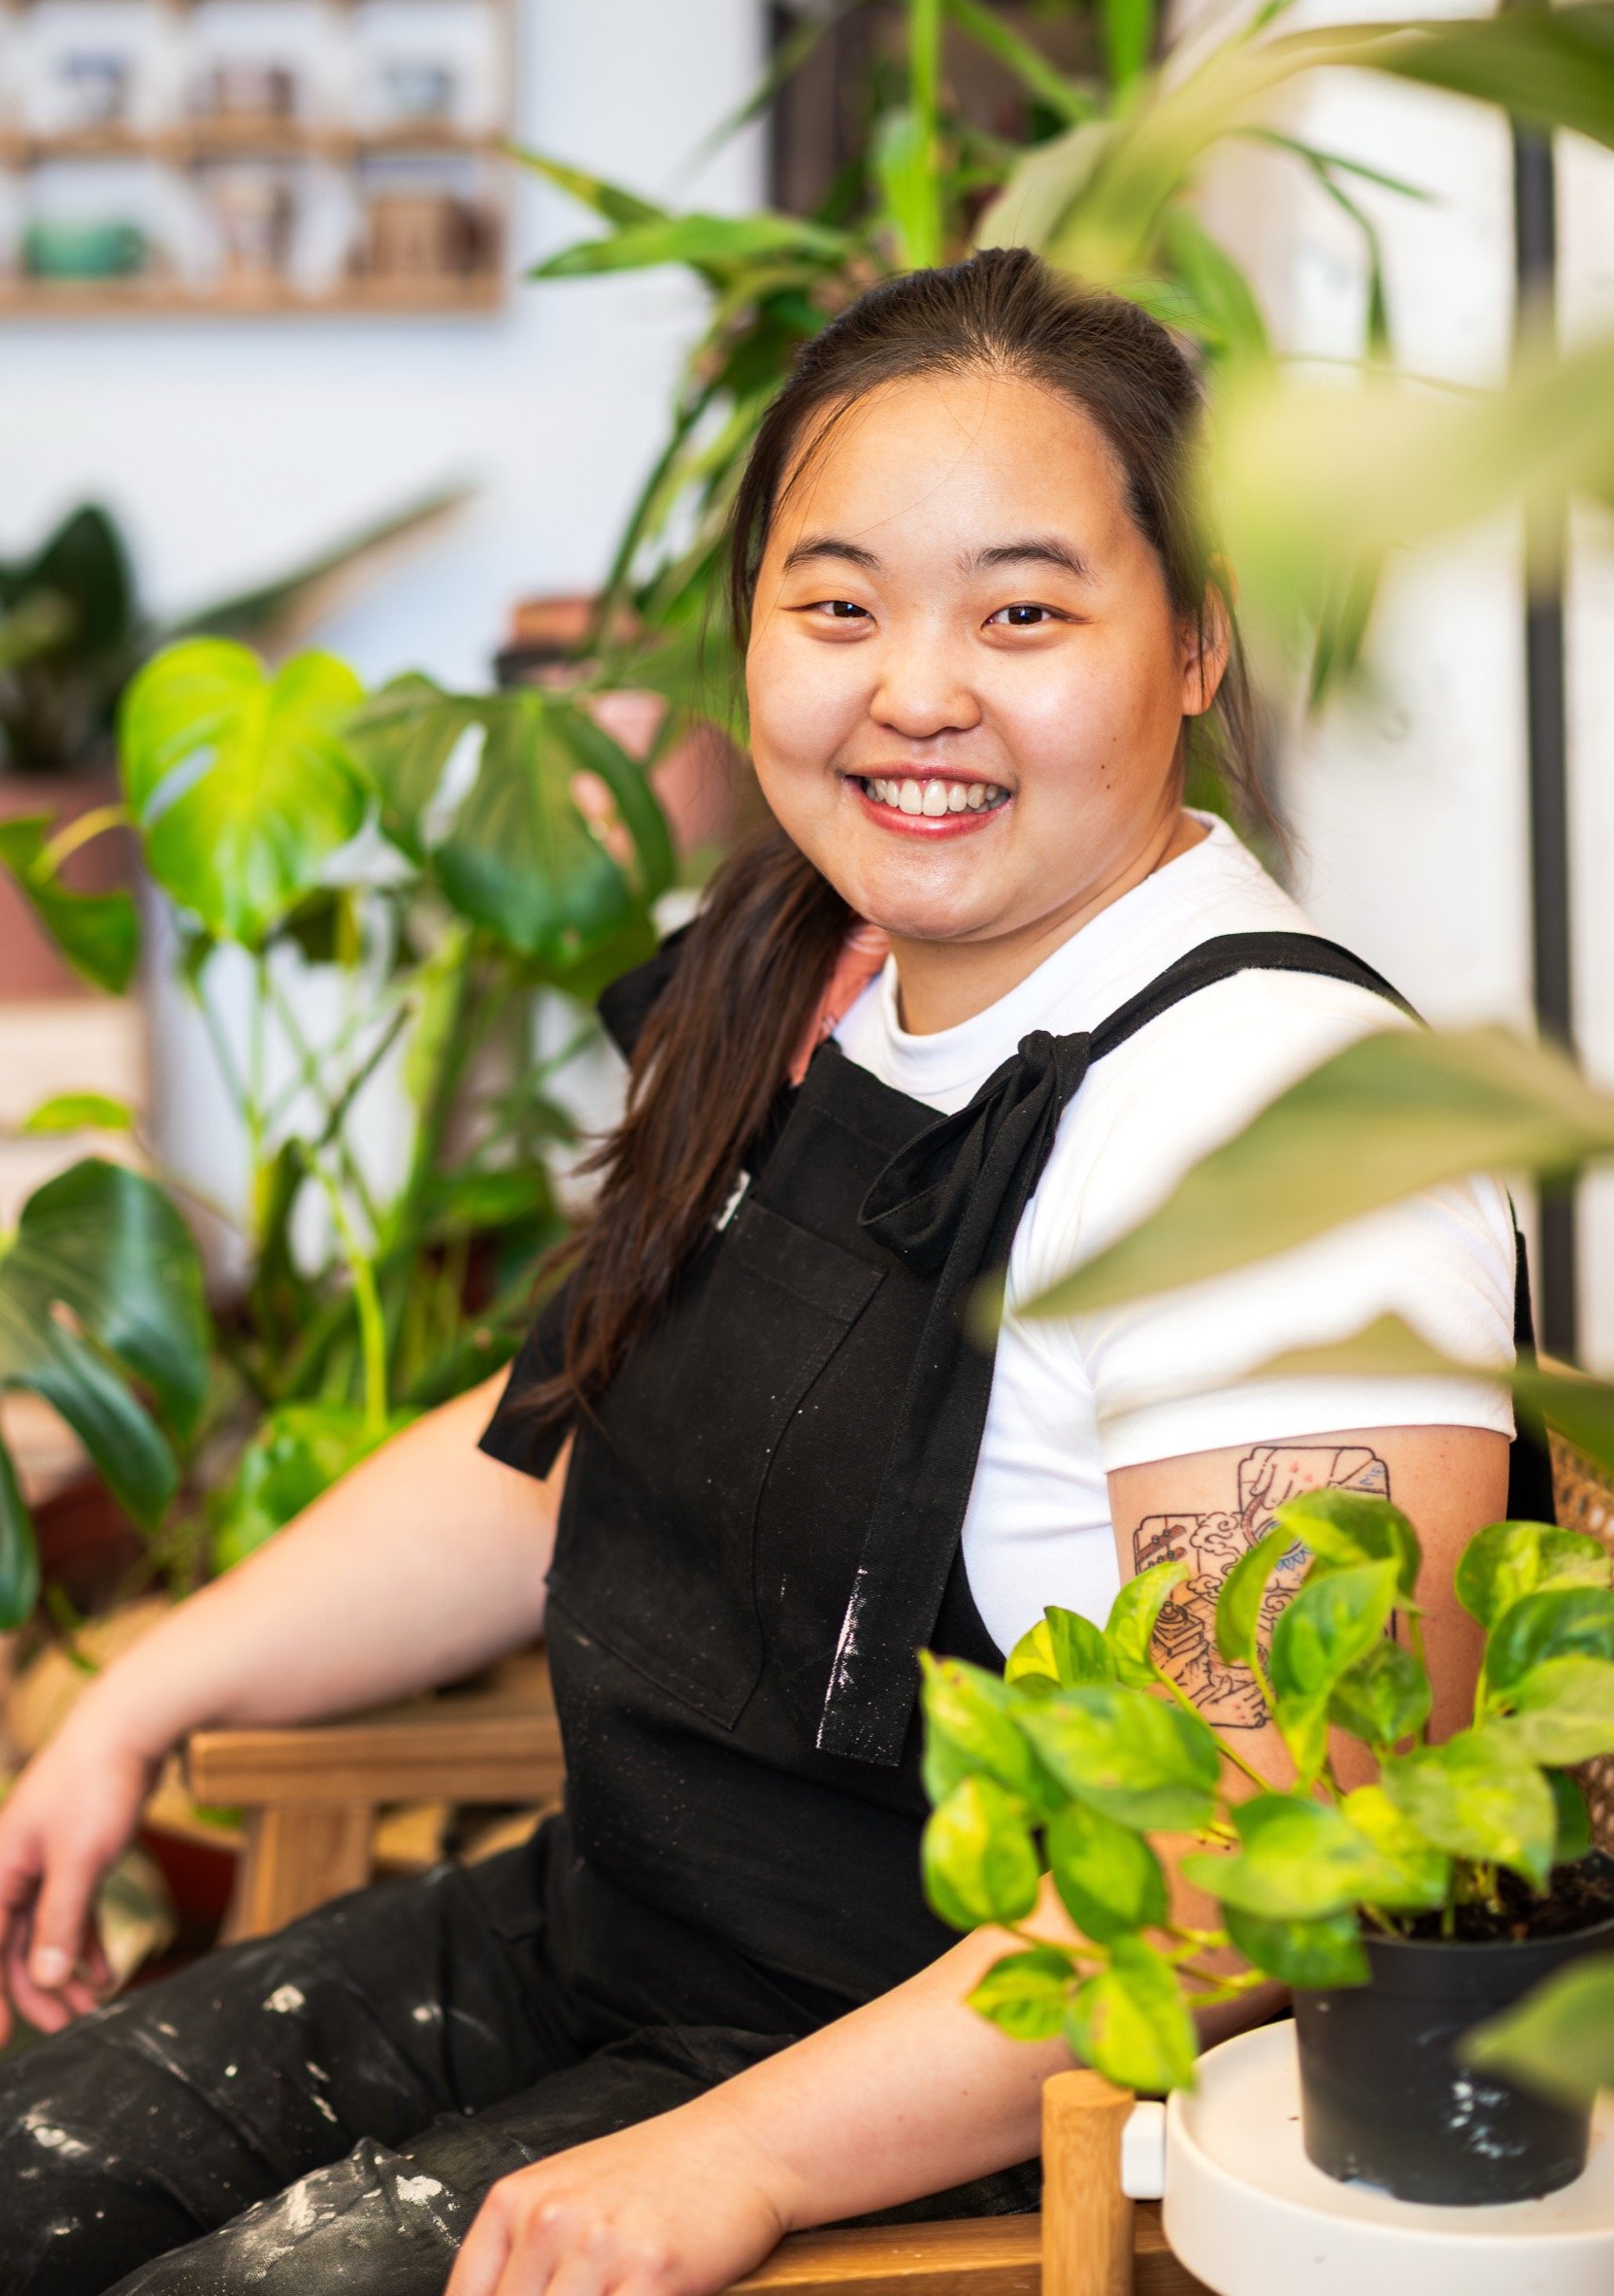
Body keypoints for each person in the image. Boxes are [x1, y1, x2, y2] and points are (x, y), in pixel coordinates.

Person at [0, 250, 1531, 2296]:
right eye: (837, 604)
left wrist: (730, 2153)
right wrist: (143, 1690)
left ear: (1191, 644)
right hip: (596, 1930)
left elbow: (1268, 1850)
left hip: (938, 2094)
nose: (913, 688)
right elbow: (553, 1441)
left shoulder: (1280, 1127)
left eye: (1022, 608)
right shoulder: (849, 993)